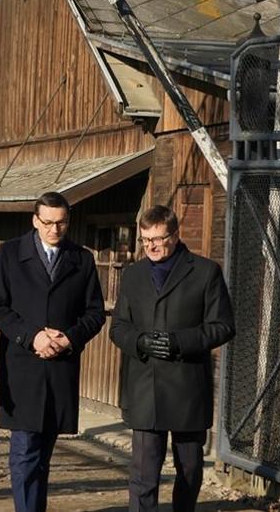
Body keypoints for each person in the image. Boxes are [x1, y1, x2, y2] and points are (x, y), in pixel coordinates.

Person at [110, 206, 235, 512]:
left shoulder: (205, 272)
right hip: (144, 388)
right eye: (145, 240)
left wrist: (179, 342)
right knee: (143, 475)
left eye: (158, 239)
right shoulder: (133, 275)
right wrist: (140, 341)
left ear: (176, 235)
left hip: (187, 388)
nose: (151, 246)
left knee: (190, 470)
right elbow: (118, 328)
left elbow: (223, 326)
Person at [0, 191, 106, 512]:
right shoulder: (11, 253)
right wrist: (32, 337)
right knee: (25, 450)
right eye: (48, 223)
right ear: (35, 220)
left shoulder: (81, 258)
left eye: (62, 223)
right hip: (23, 366)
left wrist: (69, 338)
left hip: (60, 366)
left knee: (43, 455)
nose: (55, 229)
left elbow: (94, 312)